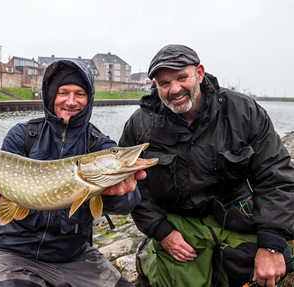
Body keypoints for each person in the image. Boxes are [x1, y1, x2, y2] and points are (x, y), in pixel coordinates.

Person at [119, 44, 294, 287]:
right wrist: (160, 230)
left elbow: (275, 176)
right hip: (179, 218)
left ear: (199, 73)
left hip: (234, 213)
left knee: (269, 266)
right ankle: (149, 256)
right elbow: (134, 188)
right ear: (156, 86)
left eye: (182, 77)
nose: (175, 89)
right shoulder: (140, 124)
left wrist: (271, 245)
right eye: (165, 83)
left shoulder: (244, 111)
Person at [0, 58, 146, 287]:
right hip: (16, 252)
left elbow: (129, 203)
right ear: (51, 95)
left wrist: (117, 194)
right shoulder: (22, 136)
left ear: (90, 98)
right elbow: (1, 205)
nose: (71, 101)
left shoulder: (99, 144)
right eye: (63, 92)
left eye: (80, 94)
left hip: (74, 255)